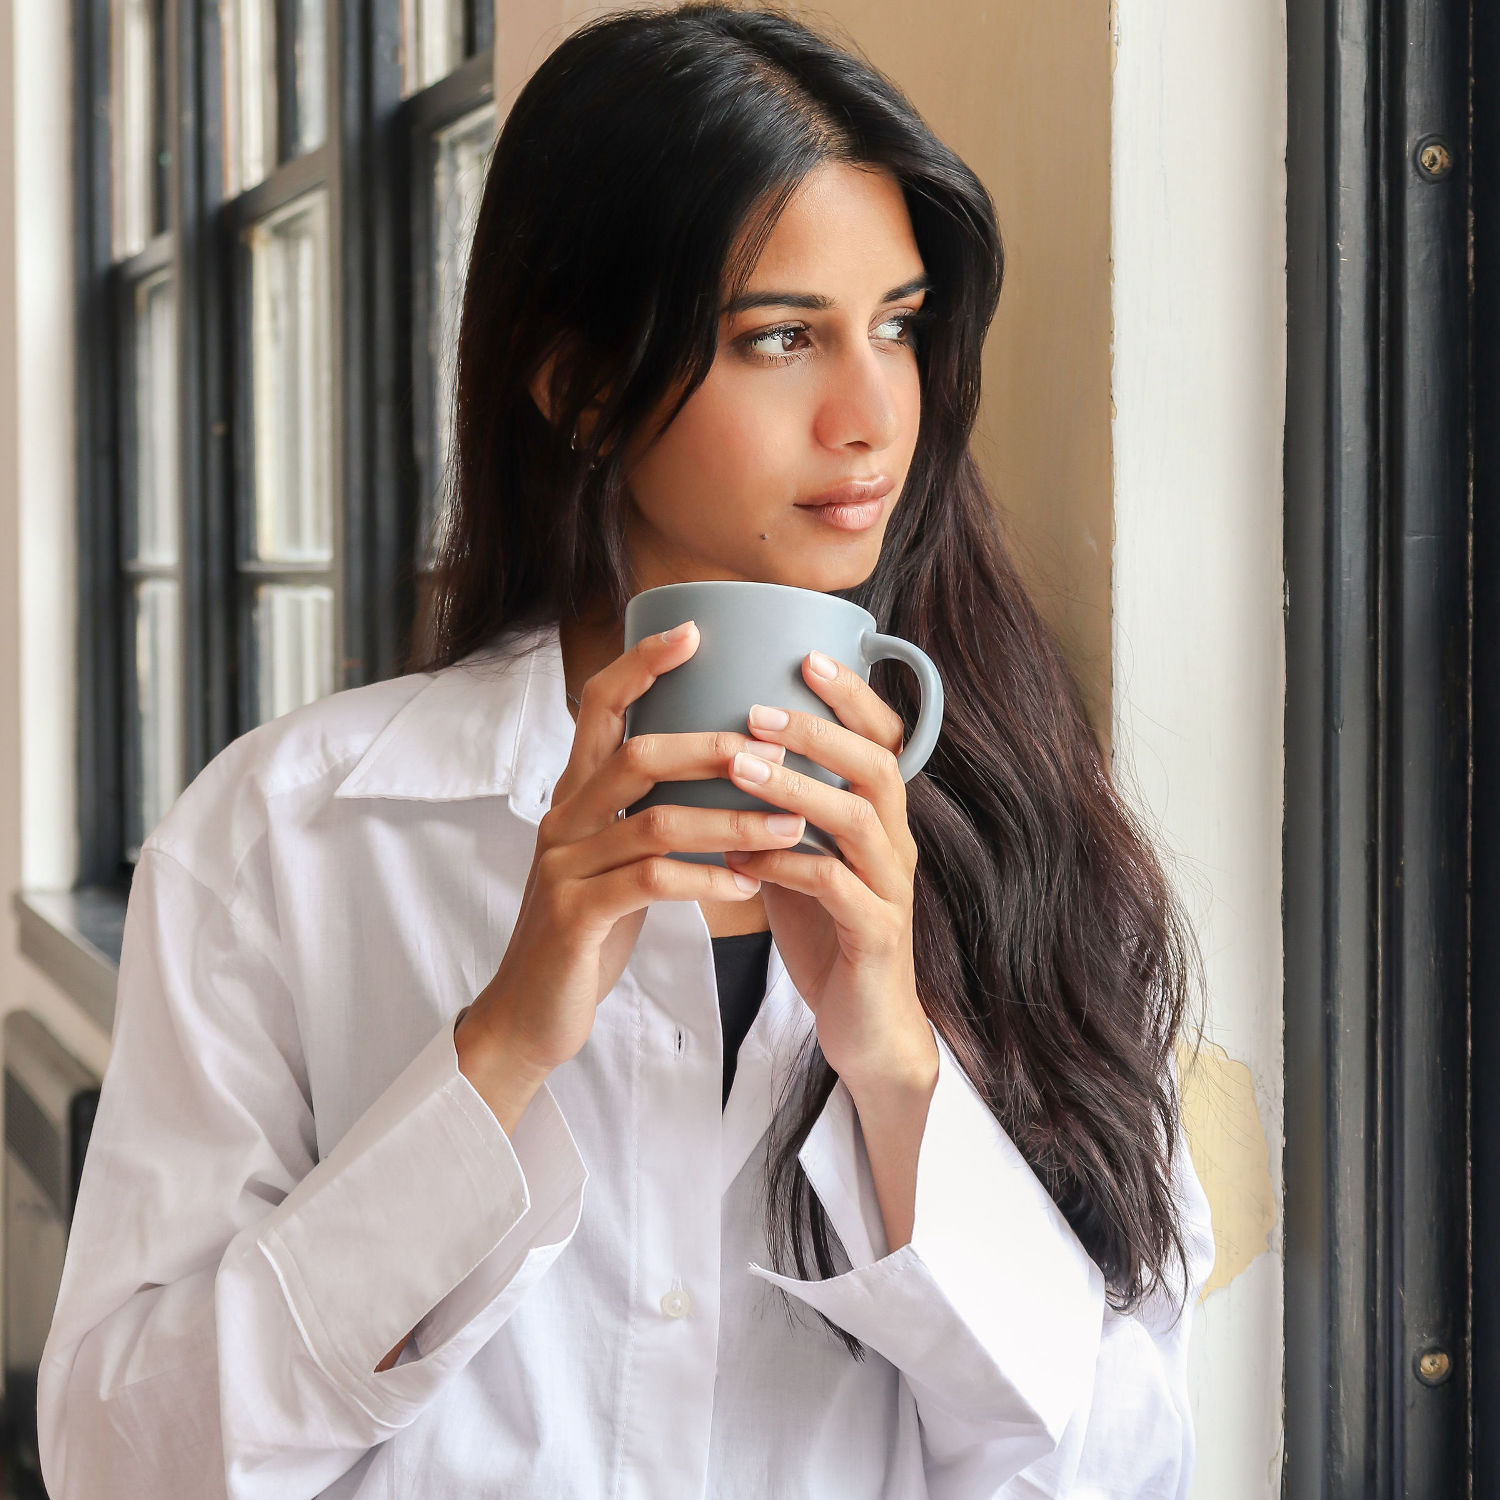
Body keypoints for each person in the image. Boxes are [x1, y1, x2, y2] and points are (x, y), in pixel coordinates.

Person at [38, 4, 1216, 1496]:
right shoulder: (288, 840)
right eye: (782, 338)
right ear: (582, 384)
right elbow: (117, 1463)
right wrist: (501, 1048)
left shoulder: (1028, 833)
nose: (873, 418)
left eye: (900, 326)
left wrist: (895, 1067)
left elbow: (1131, 1466)